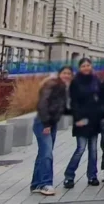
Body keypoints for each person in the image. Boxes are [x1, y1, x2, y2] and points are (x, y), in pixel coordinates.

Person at [31, 66, 72, 195]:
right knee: (47, 154)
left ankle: (36, 184)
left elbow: (62, 109)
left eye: (69, 74)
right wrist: (47, 124)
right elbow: (42, 104)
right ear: (59, 74)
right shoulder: (52, 84)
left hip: (50, 123)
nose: (66, 75)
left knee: (43, 154)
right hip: (43, 123)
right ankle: (45, 183)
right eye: (64, 73)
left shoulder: (62, 88)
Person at [64, 58, 103, 188]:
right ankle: (69, 176)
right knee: (80, 149)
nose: (86, 67)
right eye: (83, 66)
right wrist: (78, 118)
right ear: (80, 68)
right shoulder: (75, 82)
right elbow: (73, 102)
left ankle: (92, 176)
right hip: (81, 120)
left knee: (93, 150)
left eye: (88, 65)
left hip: (94, 120)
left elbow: (100, 98)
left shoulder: (96, 80)